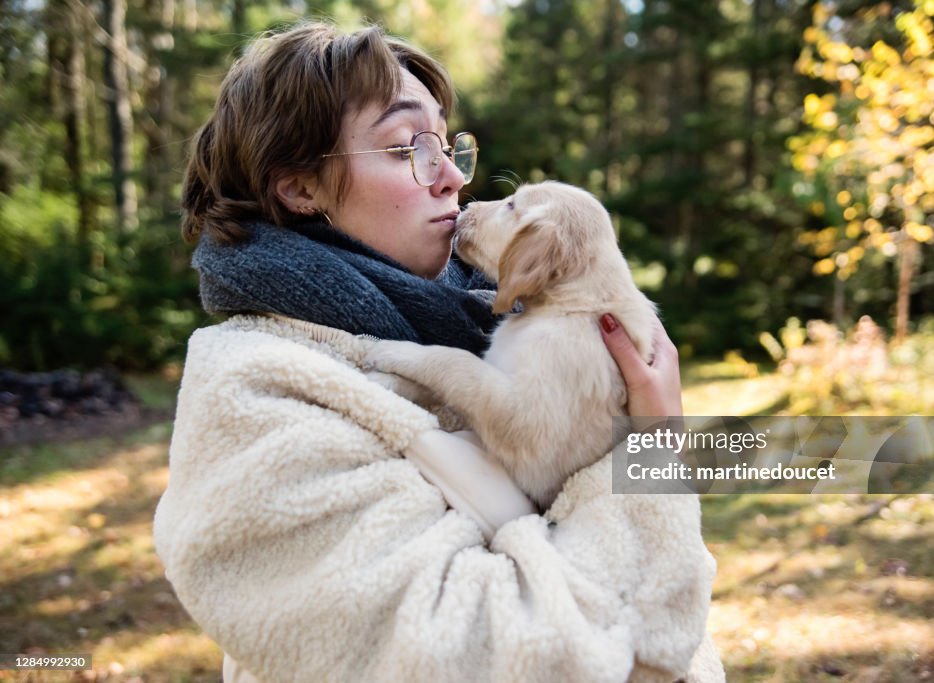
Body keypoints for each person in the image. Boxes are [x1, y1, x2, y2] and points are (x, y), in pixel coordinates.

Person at [153, 21, 724, 683]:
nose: (452, 176)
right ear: (299, 187)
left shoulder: (498, 318)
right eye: (404, 148)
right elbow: (501, 654)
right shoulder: (255, 398)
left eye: (448, 144)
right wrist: (654, 450)